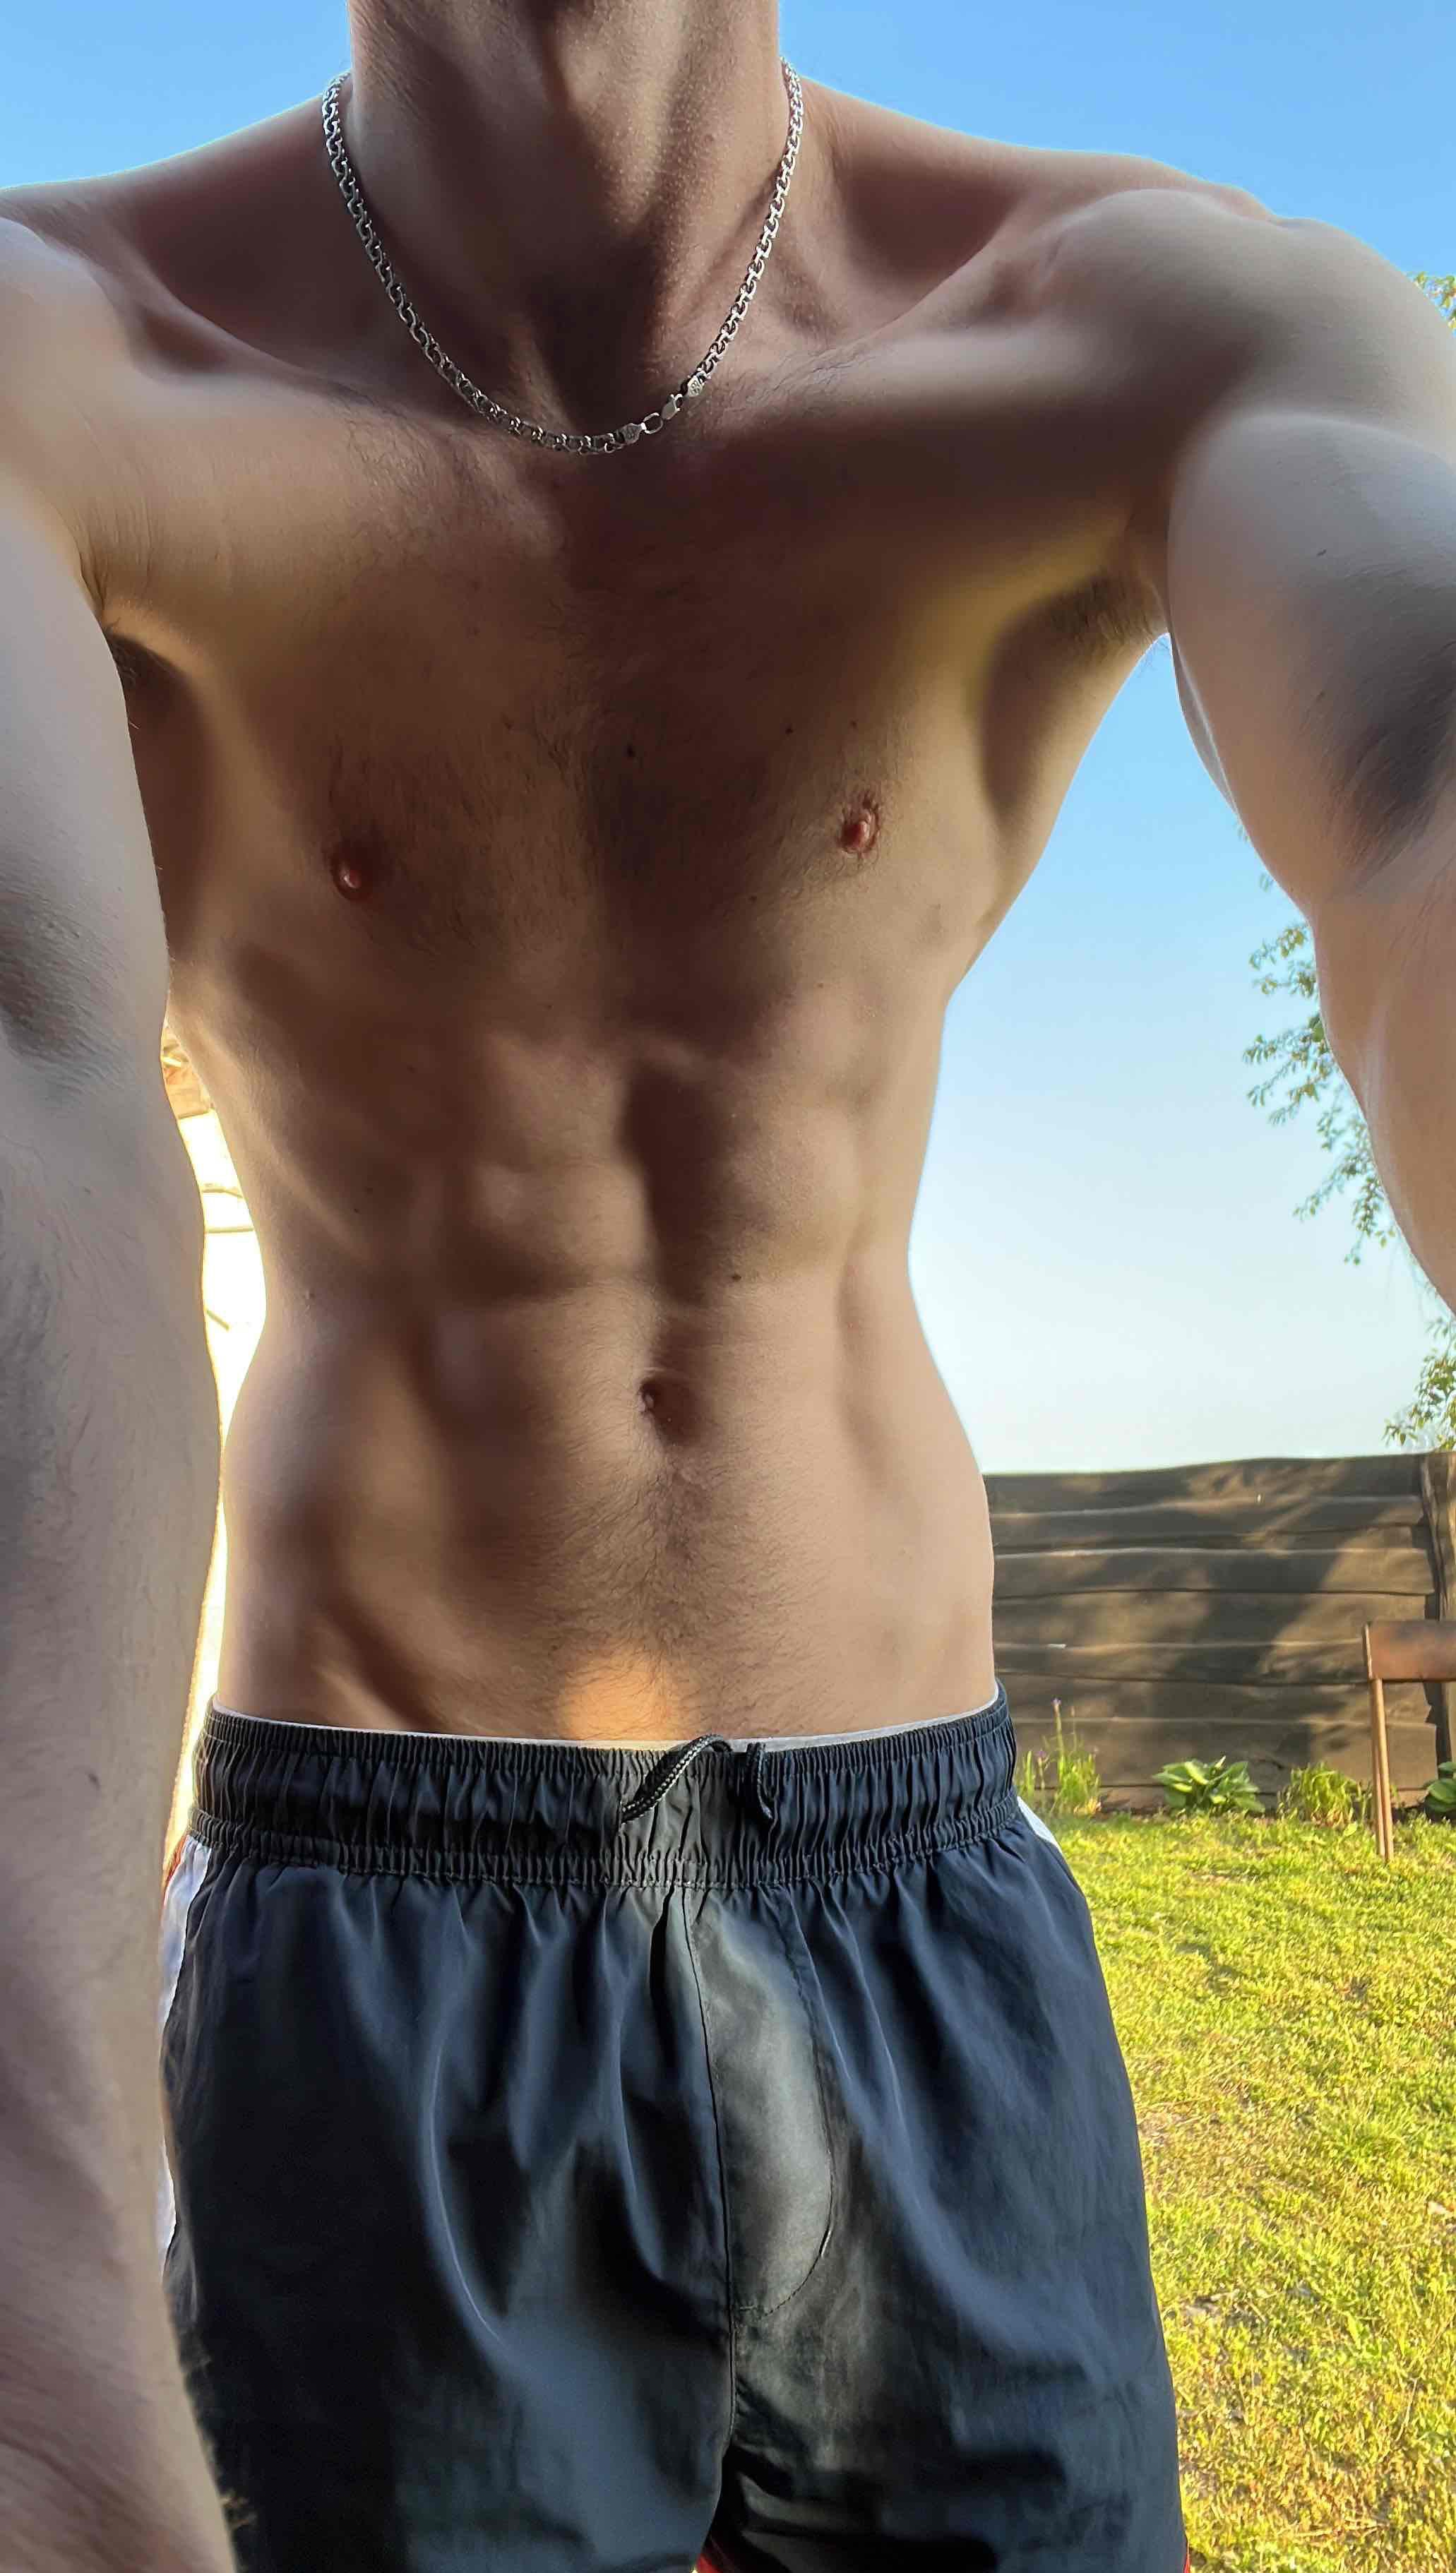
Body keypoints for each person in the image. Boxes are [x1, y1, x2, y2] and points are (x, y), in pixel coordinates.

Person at [3, 3, 1455, 2566]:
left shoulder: (1143, 319)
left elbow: (1426, 783)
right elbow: (34, 1084)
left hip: (920, 1878)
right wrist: (36, 2319)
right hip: (373, 1893)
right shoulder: (70, 364)